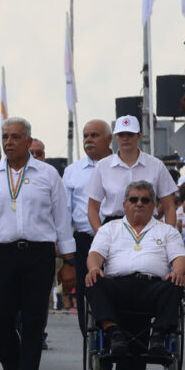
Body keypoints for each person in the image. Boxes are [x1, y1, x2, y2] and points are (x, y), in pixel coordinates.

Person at [0, 125, 69, 370]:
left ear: (28, 141)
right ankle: (9, 365)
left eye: (15, 137)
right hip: (3, 251)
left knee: (35, 316)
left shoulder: (47, 174)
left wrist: (68, 260)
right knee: (1, 314)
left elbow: (61, 217)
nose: (9, 142)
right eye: (5, 138)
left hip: (39, 252)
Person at [84, 183, 185, 370]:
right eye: (134, 199)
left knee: (175, 283)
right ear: (125, 204)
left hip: (152, 288)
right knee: (93, 281)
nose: (139, 204)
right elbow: (95, 255)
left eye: (145, 200)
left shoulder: (166, 231)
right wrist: (94, 268)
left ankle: (159, 337)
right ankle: (113, 333)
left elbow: (179, 258)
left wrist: (178, 271)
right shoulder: (110, 228)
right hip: (118, 286)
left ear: (153, 205)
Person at [85, 115, 178, 228]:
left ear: (139, 136)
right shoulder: (102, 167)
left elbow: (169, 206)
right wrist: (101, 235)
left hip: (148, 226)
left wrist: (169, 237)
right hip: (114, 226)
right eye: (121, 134)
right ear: (115, 137)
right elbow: (92, 207)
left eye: (130, 134)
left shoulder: (156, 165)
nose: (125, 138)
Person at [61, 120, 112, 305]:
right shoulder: (72, 172)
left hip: (118, 239)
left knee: (116, 289)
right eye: (85, 136)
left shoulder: (120, 166)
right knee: (86, 291)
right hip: (85, 240)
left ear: (109, 139)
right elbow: (65, 212)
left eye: (94, 135)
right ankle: (87, 333)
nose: (88, 140)